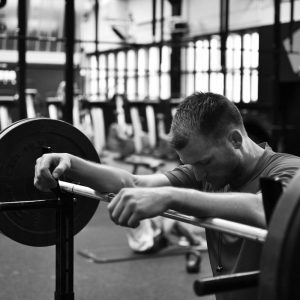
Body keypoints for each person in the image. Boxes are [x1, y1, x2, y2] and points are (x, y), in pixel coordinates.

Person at [34, 92, 300, 300]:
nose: (197, 175)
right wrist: (71, 162)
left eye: (204, 162)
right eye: (190, 164)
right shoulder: (207, 171)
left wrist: (171, 197)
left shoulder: (288, 169)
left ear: (235, 140)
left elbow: (265, 208)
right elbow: (134, 182)